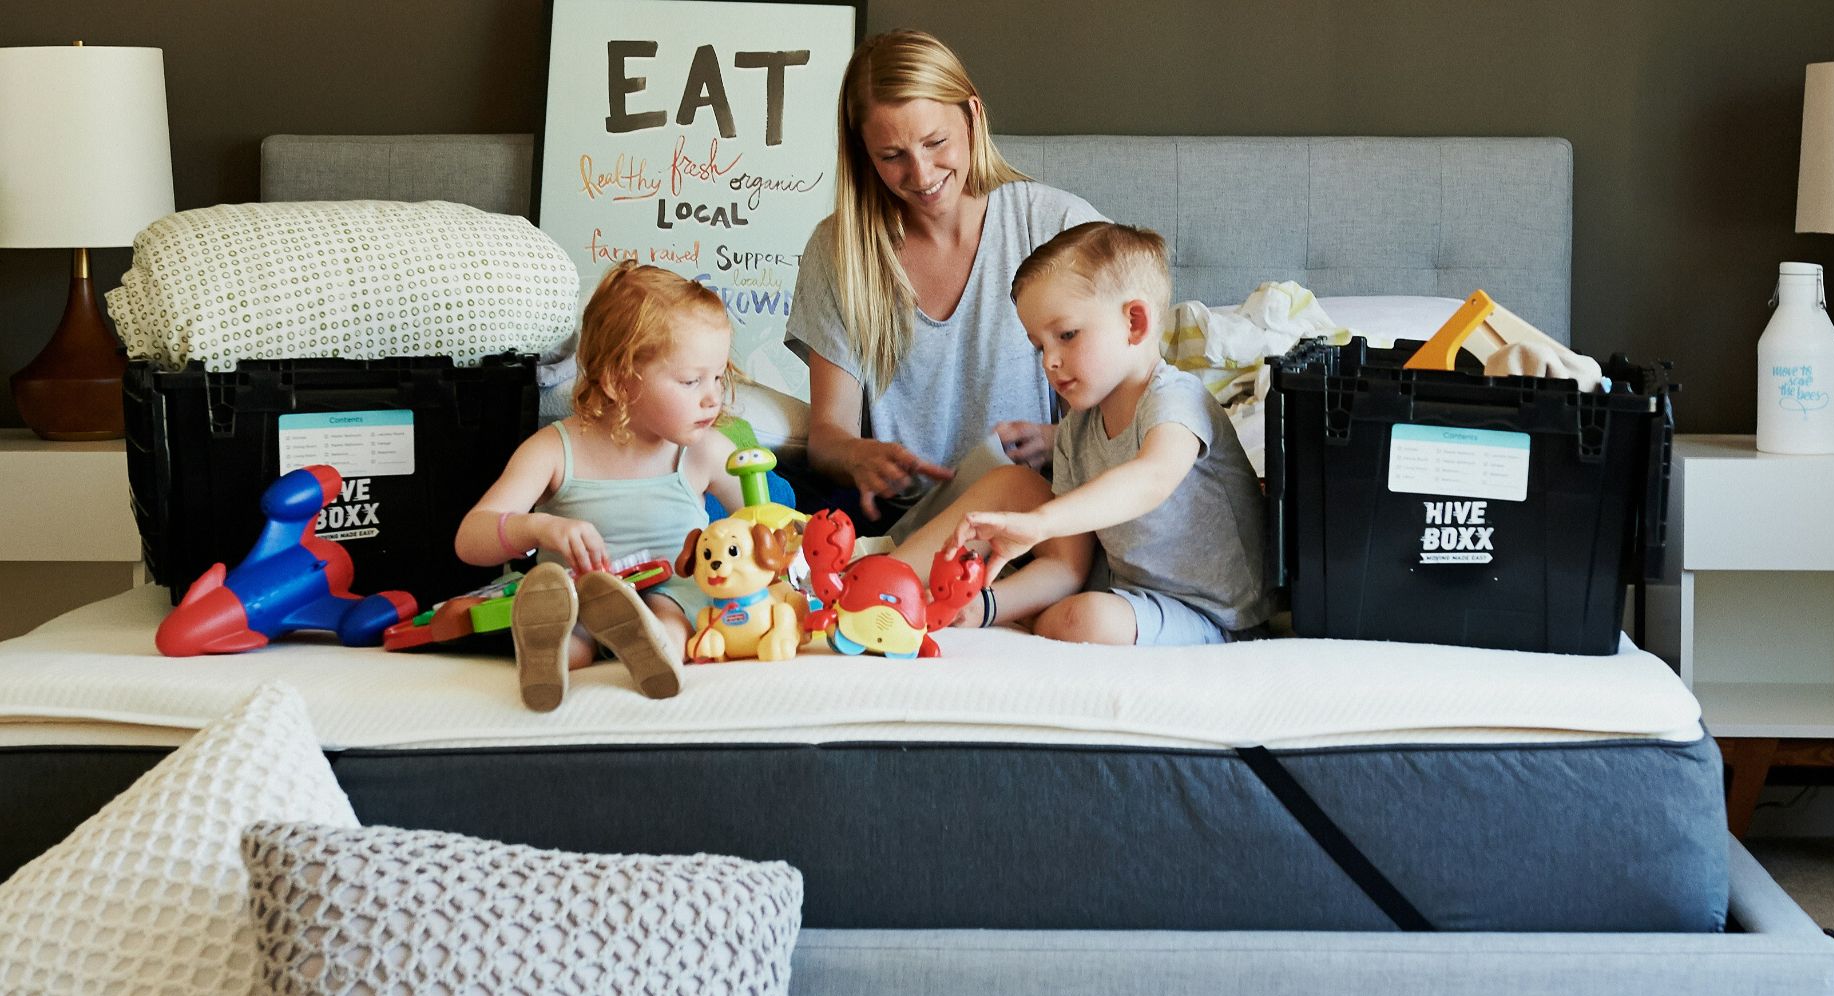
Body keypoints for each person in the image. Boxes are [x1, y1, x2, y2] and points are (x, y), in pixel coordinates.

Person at [786, 28, 1105, 540]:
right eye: (891, 156)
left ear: (973, 116)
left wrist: (1059, 440)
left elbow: (1127, 406)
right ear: (864, 153)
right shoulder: (838, 250)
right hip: (898, 518)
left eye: (936, 143)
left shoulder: (1057, 226)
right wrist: (856, 455)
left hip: (1030, 512)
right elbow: (827, 436)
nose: (921, 173)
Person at [922, 222, 1279, 645]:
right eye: (1040, 346)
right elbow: (1069, 563)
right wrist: (986, 606)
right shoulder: (1076, 428)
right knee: (1008, 482)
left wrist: (1039, 523)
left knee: (1084, 619)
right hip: (1123, 589)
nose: (1049, 362)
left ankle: (1025, 613)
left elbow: (1151, 480)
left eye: (1067, 335)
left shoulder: (1175, 399)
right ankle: (890, 583)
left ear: (1135, 322)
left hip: (1213, 615)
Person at [455, 261, 746, 710]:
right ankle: (548, 657)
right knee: (571, 625)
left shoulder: (704, 450)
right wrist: (539, 528)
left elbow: (763, 520)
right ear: (618, 379)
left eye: (718, 377)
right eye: (691, 381)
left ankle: (654, 649)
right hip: (579, 596)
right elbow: (471, 538)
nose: (713, 397)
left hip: (670, 588)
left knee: (671, 609)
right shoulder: (553, 450)